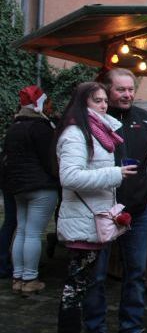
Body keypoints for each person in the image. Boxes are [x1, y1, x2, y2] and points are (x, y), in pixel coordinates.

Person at [55, 82, 138, 332]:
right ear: (83, 103)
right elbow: (69, 177)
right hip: (83, 220)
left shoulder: (99, 131)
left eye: (104, 100)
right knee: (76, 286)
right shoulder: (76, 133)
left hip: (92, 219)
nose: (103, 105)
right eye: (97, 101)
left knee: (81, 284)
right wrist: (115, 174)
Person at [83, 68, 147, 333]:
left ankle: (132, 328)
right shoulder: (94, 121)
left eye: (130, 89)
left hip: (137, 211)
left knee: (136, 275)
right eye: (120, 89)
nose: (127, 94)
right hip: (102, 209)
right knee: (96, 276)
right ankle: (95, 327)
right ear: (106, 90)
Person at [4, 86, 59, 295]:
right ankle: (30, 278)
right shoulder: (41, 127)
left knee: (22, 230)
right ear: (40, 105)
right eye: (48, 102)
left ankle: (18, 277)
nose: (51, 106)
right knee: (34, 233)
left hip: (18, 187)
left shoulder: (14, 127)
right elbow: (50, 160)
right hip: (41, 187)